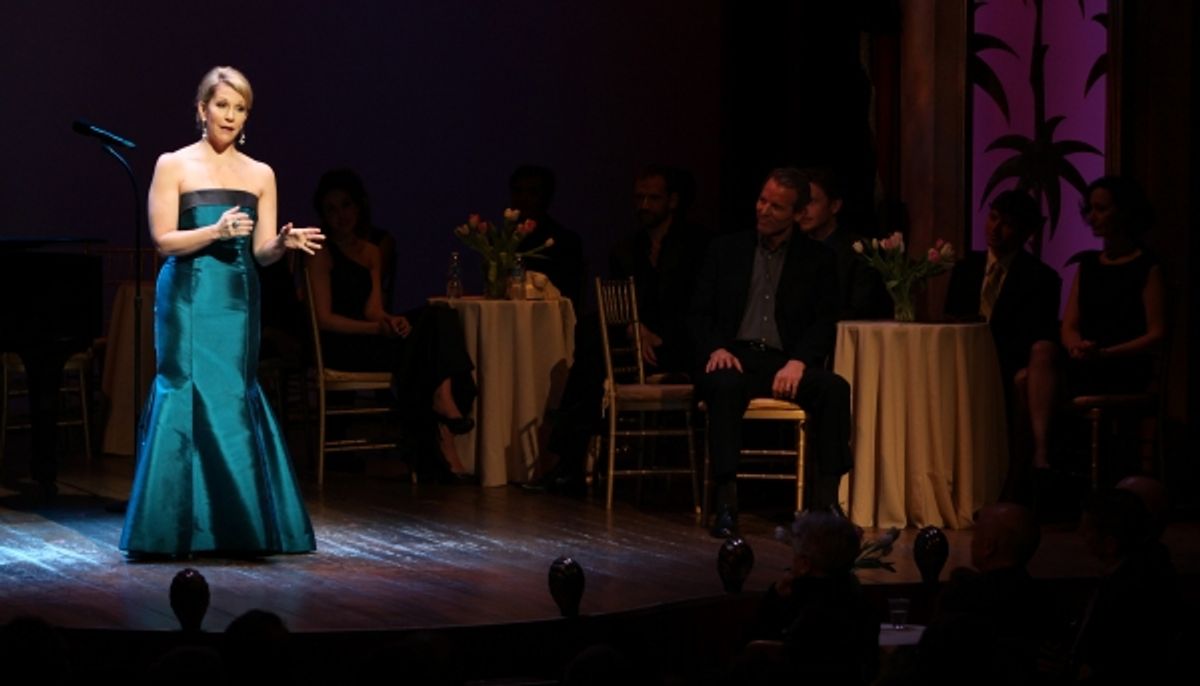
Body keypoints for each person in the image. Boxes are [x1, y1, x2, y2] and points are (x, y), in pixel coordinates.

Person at [120, 66, 320, 557]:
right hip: (188, 296)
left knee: (232, 393)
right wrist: (215, 232)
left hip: (237, 298)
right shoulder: (174, 164)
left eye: (240, 108)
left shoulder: (260, 173)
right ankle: (173, 526)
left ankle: (238, 523)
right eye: (222, 105)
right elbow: (163, 241)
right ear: (201, 109)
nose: (230, 115)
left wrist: (283, 244)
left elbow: (260, 252)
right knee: (185, 391)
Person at [525, 166, 707, 496]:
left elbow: (699, 306)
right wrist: (634, 328)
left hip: (681, 344)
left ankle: (568, 460)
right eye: (639, 198)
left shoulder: (697, 246)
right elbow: (622, 305)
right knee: (595, 339)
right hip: (636, 346)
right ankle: (570, 460)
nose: (644, 205)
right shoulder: (627, 249)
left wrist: (656, 334)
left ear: (672, 201)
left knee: (593, 350)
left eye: (654, 198)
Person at [690, 167, 850, 537]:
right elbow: (697, 313)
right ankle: (727, 502)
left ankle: (826, 502)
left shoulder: (818, 259)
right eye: (762, 200)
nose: (764, 210)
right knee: (725, 386)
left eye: (777, 207)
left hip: (783, 361)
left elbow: (825, 321)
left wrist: (800, 361)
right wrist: (715, 348)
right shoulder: (725, 250)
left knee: (834, 388)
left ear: (797, 215)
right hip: (733, 356)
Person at [308, 168, 478, 481]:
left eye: (345, 205)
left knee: (440, 314)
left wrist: (390, 320)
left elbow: (373, 308)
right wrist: (377, 328)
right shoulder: (321, 252)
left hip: (370, 335)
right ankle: (442, 416)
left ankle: (442, 397)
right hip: (342, 343)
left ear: (358, 208)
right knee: (425, 351)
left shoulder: (371, 251)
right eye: (331, 209)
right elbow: (324, 318)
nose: (340, 215)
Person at [944, 189, 1061, 472]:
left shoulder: (1041, 277)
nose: (995, 228)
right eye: (993, 218)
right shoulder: (966, 268)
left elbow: (1037, 335)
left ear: (1024, 232)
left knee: (1022, 380)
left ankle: (1020, 472)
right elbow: (949, 317)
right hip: (964, 358)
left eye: (1006, 223)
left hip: (1008, 362)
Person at [744, 511, 879, 685]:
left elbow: (753, 648)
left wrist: (774, 600)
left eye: (795, 555)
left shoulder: (806, 609)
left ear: (805, 565)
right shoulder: (862, 605)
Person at [796, 166, 889, 321]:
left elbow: (861, 310)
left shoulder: (859, 251)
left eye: (811, 202)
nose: (803, 210)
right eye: (800, 202)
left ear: (834, 206)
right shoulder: (794, 249)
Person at [510, 164, 586, 308]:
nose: (523, 198)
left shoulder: (565, 242)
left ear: (546, 198)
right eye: (518, 191)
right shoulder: (502, 241)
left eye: (532, 192)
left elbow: (568, 299)